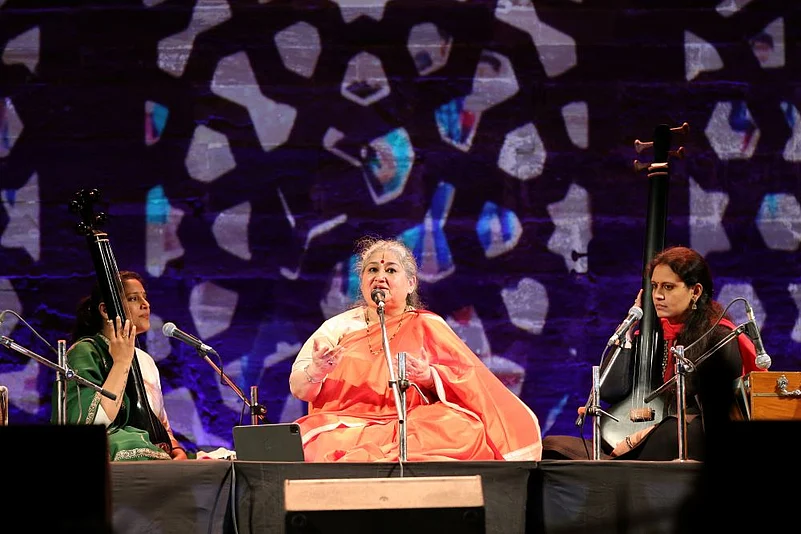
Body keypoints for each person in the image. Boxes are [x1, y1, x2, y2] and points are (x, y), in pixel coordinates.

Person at [289, 236, 542, 462]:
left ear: (411, 283)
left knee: (464, 428)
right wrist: (317, 370)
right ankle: (376, 460)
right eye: (372, 270)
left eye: (391, 270)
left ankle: (377, 460)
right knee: (306, 441)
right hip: (348, 425)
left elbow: (471, 378)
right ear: (363, 282)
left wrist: (430, 376)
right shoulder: (337, 327)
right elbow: (299, 388)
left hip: (413, 423)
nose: (380, 276)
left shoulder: (427, 325)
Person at [543, 245, 763, 461]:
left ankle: (619, 467)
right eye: (654, 286)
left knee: (671, 434)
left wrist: (643, 435)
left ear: (695, 291)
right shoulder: (648, 335)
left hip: (690, 435)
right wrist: (628, 330)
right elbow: (609, 391)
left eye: (668, 287)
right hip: (646, 437)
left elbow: (716, 410)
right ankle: (618, 466)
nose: (657, 295)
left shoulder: (719, 336)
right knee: (553, 446)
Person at [51, 270, 188, 461]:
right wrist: (121, 362)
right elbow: (91, 424)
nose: (145, 304)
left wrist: (176, 449)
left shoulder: (145, 360)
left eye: (145, 297)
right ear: (106, 310)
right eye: (133, 298)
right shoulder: (85, 352)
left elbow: (158, 422)